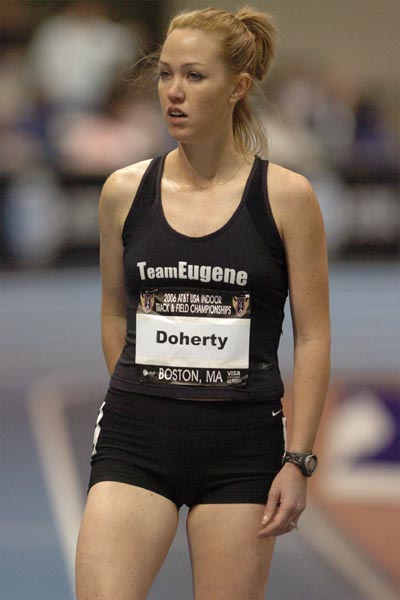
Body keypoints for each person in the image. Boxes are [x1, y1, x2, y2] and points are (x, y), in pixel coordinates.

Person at [75, 6, 330, 599]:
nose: (173, 93)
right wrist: (145, 388)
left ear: (238, 87)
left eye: (194, 76)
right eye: (165, 74)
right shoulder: (123, 192)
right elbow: (115, 312)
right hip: (136, 440)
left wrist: (300, 460)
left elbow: (313, 337)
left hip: (242, 452)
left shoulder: (288, 197)